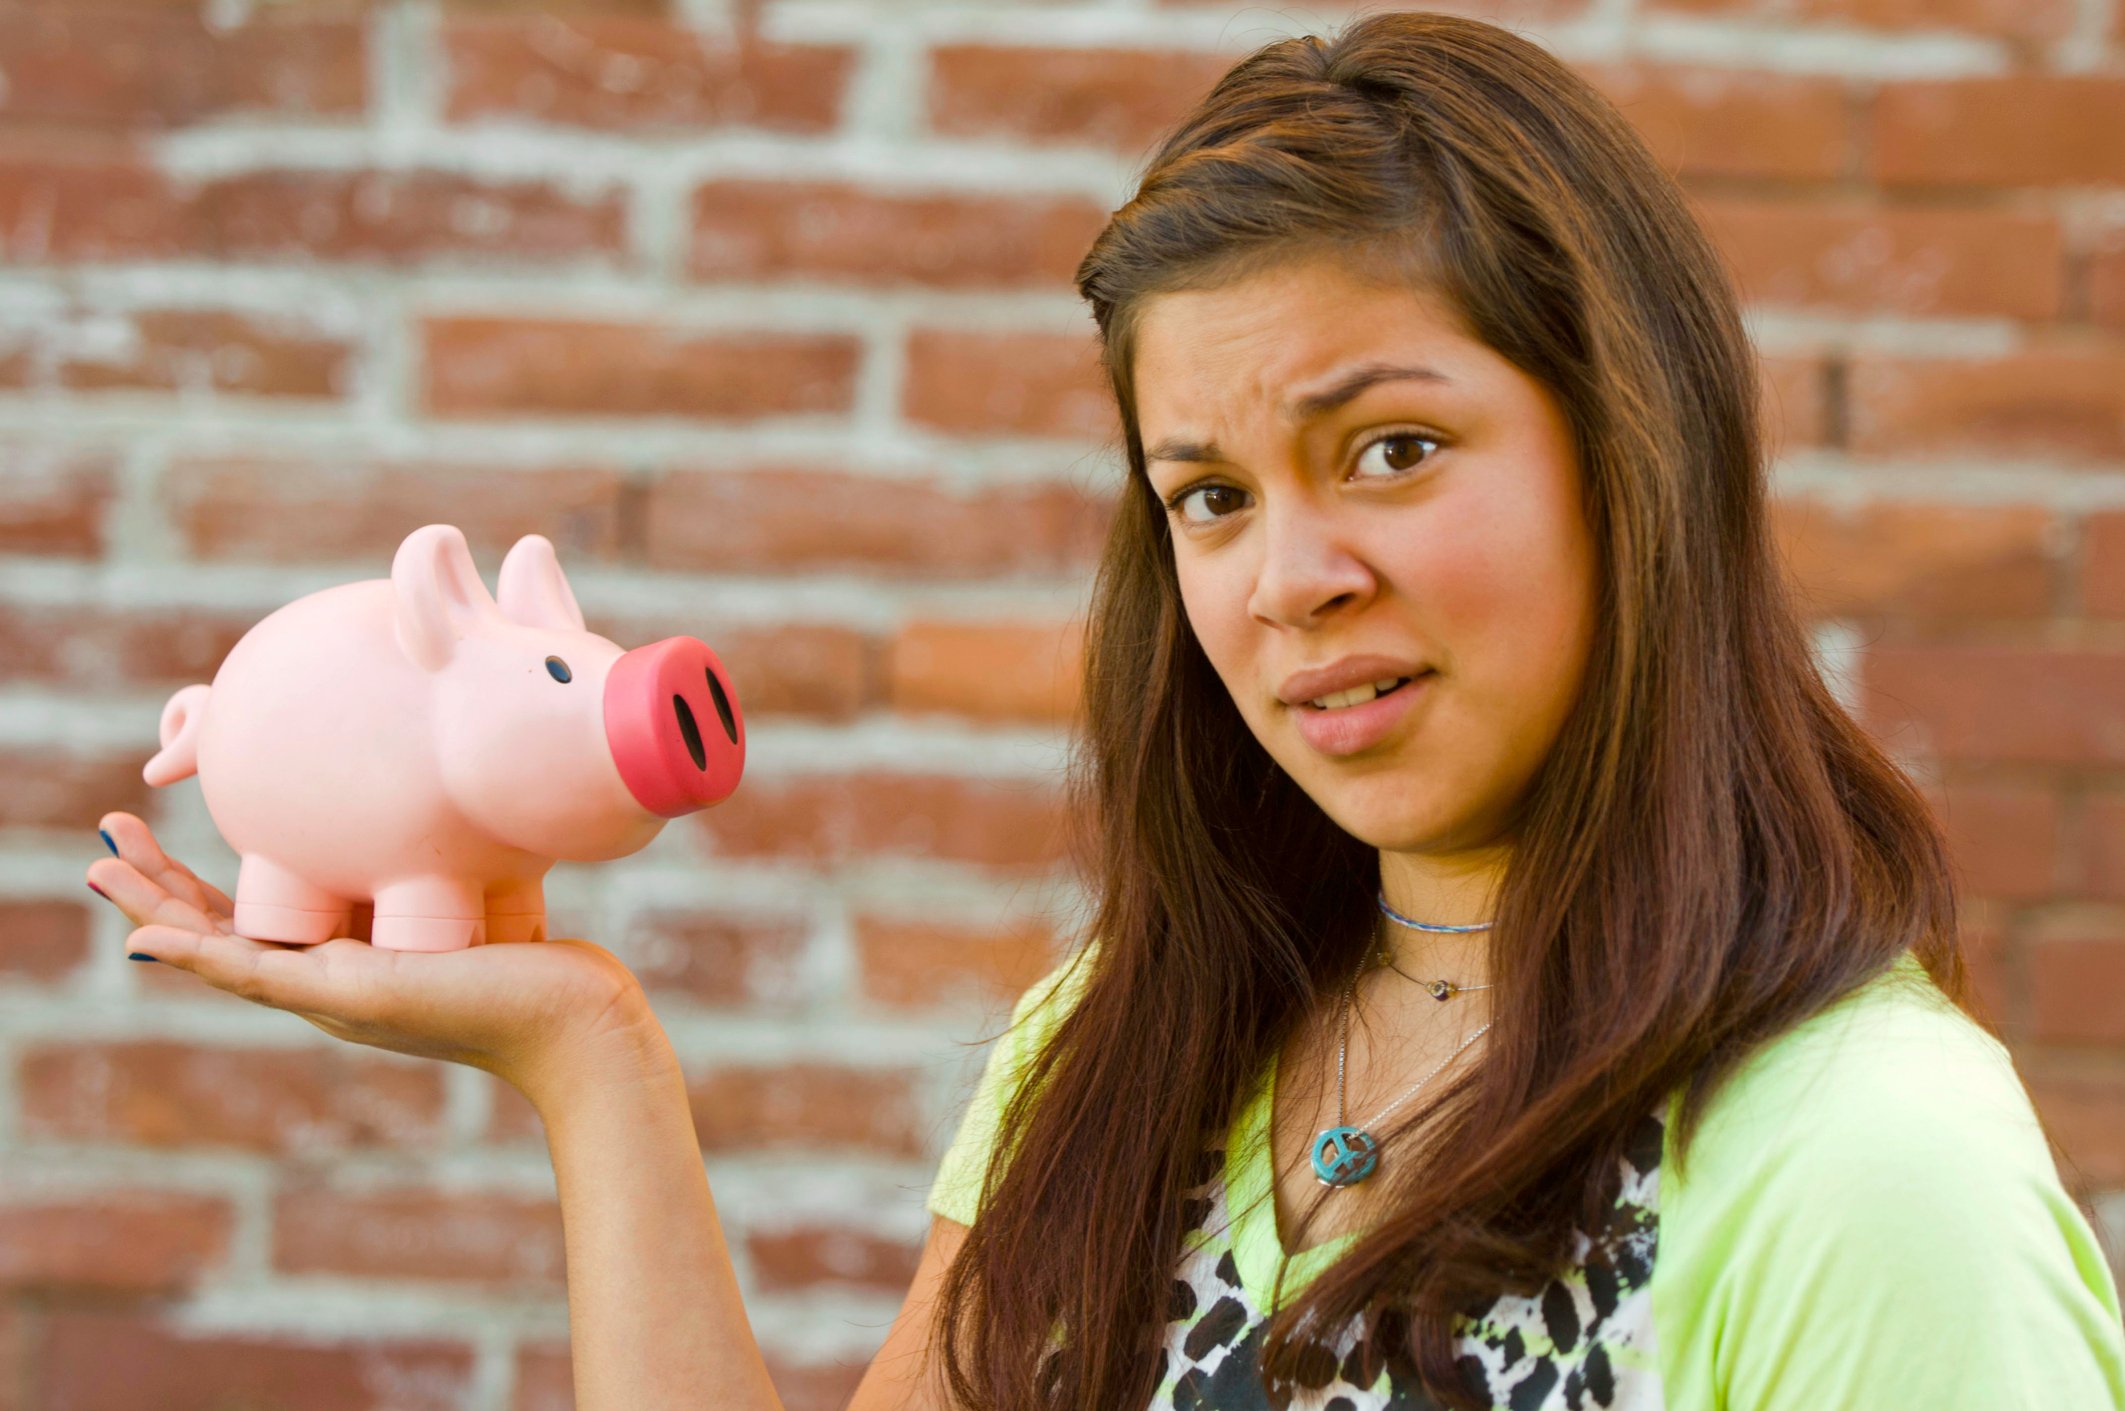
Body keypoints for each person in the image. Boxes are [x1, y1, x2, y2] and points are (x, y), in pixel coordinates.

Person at [85, 10, 2125, 1410]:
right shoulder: (1132, 1043)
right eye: (1208, 496)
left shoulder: (1864, 1159)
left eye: (1394, 448)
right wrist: (587, 1053)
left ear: (1632, 450)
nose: (1286, 572)